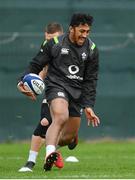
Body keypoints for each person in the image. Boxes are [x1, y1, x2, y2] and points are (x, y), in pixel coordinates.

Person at [17, 13, 100, 172]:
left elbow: (90, 80)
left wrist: (88, 105)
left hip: (77, 92)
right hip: (57, 86)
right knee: (60, 116)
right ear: (71, 29)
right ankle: (50, 154)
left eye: (87, 32)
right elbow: (36, 64)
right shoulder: (54, 43)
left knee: (67, 137)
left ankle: (61, 143)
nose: (85, 35)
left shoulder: (92, 49)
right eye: (81, 31)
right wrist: (22, 80)